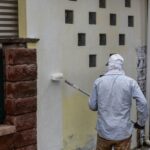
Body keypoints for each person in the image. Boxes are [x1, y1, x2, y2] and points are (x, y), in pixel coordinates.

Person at [89, 54, 148, 150]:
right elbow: (143, 102)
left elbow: (92, 106)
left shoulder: (99, 82)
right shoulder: (130, 82)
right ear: (121, 66)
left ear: (109, 65)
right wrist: (140, 122)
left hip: (104, 133)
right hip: (123, 133)